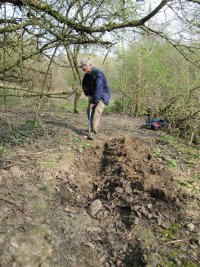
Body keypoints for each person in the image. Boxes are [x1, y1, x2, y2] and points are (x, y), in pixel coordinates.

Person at [80, 58, 111, 134]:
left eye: (85, 68)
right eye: (83, 69)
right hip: (93, 96)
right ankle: (90, 131)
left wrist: (93, 102)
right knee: (89, 111)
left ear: (89, 65)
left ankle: (94, 131)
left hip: (102, 97)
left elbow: (98, 90)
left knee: (96, 113)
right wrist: (88, 95)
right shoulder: (87, 75)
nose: (84, 71)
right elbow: (84, 85)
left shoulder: (98, 74)